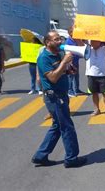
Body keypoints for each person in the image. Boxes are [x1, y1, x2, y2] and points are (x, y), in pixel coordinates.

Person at [32, 31, 86, 168]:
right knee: (67, 127)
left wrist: (68, 71)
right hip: (54, 97)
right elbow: (52, 78)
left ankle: (41, 155)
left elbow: (60, 72)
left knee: (57, 126)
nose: (60, 41)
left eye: (60, 38)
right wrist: (64, 63)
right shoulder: (44, 57)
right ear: (48, 42)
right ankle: (71, 158)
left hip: (61, 95)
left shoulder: (57, 54)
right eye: (56, 39)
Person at [86, 30, 105, 117]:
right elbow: (79, 42)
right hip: (91, 75)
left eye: (96, 41)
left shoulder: (104, 49)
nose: (93, 42)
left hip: (102, 75)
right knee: (94, 93)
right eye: (92, 41)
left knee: (104, 93)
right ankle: (96, 109)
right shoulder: (87, 49)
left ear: (99, 42)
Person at [65, 26, 85, 97]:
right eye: (74, 32)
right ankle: (70, 91)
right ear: (70, 33)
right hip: (70, 62)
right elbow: (67, 53)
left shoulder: (76, 40)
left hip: (76, 61)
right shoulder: (68, 41)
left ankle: (77, 90)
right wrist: (70, 64)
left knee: (76, 76)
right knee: (70, 77)